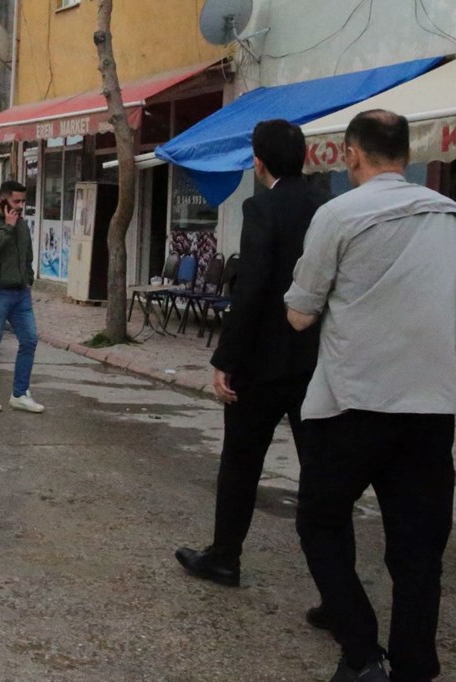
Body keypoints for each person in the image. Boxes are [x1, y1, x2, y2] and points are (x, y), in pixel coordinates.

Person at [285, 110, 456, 682]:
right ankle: (415, 665)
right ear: (407, 156)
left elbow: (299, 313)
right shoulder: (454, 217)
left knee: (320, 522)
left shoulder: (337, 213)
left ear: (352, 154)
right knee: (417, 550)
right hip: (432, 406)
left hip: (353, 403)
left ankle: (362, 651)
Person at [174, 120, 327, 589]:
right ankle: (333, 587)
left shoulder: (262, 208)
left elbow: (254, 289)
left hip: (261, 363)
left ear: (258, 162)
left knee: (241, 463)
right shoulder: (327, 207)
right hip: (314, 362)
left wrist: (226, 358)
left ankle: (225, 556)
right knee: (319, 474)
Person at [0, 180, 42, 414]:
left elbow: (27, 254)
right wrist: (8, 227)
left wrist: (28, 278)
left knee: (30, 340)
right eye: (16, 201)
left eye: (24, 201)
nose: (21, 205)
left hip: (20, 293)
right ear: (3, 200)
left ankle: (20, 393)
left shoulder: (21, 223)